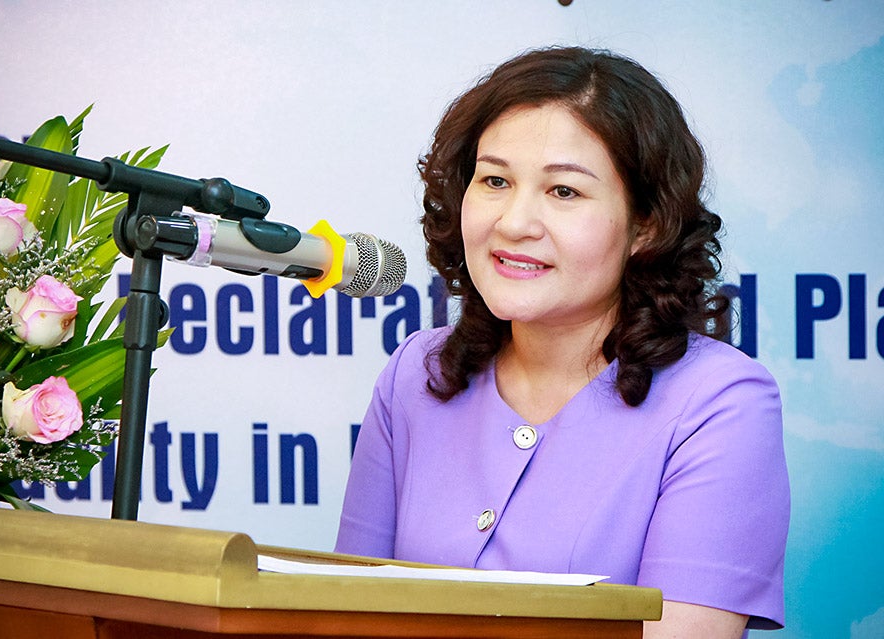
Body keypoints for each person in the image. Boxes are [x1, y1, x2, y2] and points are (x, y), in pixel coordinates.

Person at [334, 46, 790, 638]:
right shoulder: (416, 376)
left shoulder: (720, 403)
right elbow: (343, 615)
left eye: (564, 192)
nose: (514, 222)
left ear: (645, 225)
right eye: (494, 180)